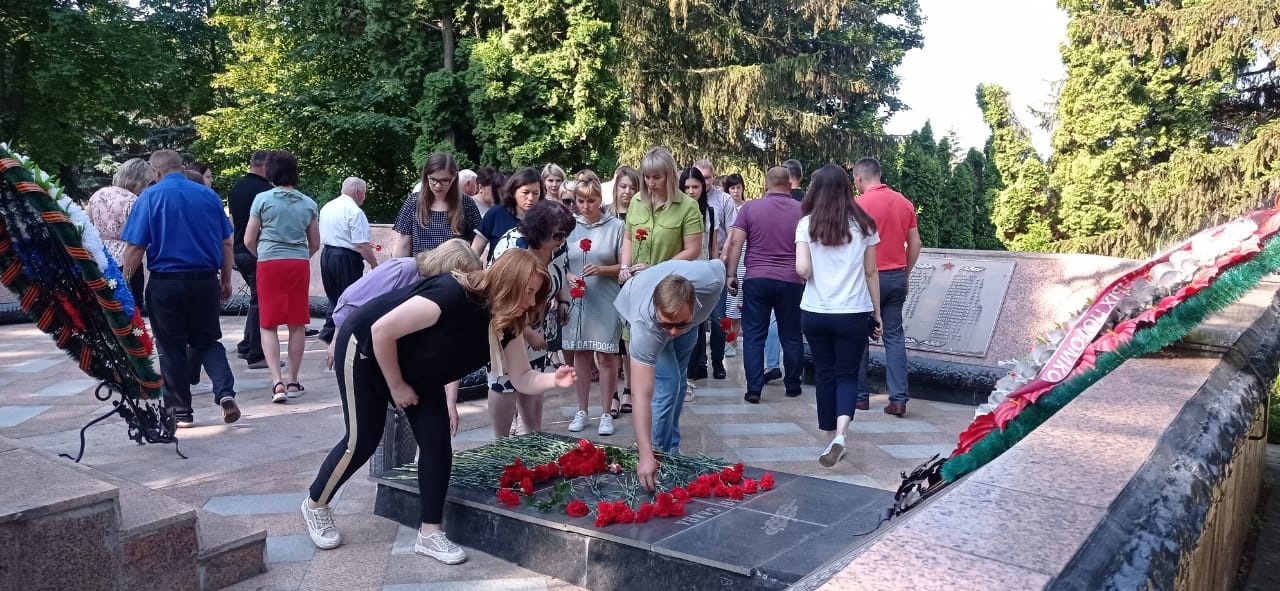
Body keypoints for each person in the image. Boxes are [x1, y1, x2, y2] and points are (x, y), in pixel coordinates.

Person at [302, 249, 575, 563]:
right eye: (528, 291)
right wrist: (397, 386)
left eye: (535, 294)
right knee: (362, 439)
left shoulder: (508, 321)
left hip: (419, 369)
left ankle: (430, 534)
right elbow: (382, 331)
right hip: (366, 349)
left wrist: (555, 380)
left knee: (437, 444)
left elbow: (523, 377)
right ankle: (316, 503)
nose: (530, 301)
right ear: (508, 281)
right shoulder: (452, 294)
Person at [121, 149, 239, 427]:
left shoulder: (150, 197)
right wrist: (225, 279)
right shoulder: (209, 196)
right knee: (208, 340)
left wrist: (123, 283)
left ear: (155, 172)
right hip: (204, 281)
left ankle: (181, 412)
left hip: (167, 284)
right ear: (182, 167)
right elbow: (226, 242)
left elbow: (136, 247)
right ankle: (224, 392)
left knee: (171, 346)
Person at [796, 164, 883, 467]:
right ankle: (841, 436)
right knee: (847, 375)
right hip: (853, 311)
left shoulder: (806, 224)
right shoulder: (865, 225)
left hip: (816, 311)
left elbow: (803, 270)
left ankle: (829, 437)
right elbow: (871, 272)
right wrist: (877, 312)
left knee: (824, 374)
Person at [616, 259, 725, 489]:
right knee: (668, 385)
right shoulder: (645, 324)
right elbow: (641, 395)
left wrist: (685, 326)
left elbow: (721, 262)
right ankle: (657, 456)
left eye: (679, 324)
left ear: (694, 305)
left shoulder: (712, 280)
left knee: (680, 381)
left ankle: (672, 452)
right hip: (637, 297)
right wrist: (646, 455)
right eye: (668, 326)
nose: (673, 332)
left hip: (689, 320)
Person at [487, 200, 575, 437]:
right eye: (557, 235)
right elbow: (502, 299)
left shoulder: (558, 247)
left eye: (566, 235)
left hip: (540, 321)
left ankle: (533, 436)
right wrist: (526, 331)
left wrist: (564, 300)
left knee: (534, 377)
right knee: (505, 383)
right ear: (539, 230)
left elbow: (562, 272)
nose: (562, 240)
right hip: (509, 323)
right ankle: (501, 442)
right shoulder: (513, 246)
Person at [324, 239, 482, 368]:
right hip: (359, 342)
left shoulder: (437, 290)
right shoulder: (402, 269)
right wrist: (336, 340)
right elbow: (351, 298)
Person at [724, 166, 805, 403]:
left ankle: (754, 389)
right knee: (791, 334)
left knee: (753, 336)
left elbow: (736, 243)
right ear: (789, 185)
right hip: (791, 281)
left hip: (756, 279)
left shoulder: (750, 208)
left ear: (765, 185)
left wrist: (731, 274)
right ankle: (792, 385)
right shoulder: (801, 211)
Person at [244, 150, 321, 403]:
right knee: (297, 322)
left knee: (268, 323)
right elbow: (315, 243)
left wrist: (263, 254)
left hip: (270, 263)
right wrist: (299, 255)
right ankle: (294, 381)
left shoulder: (262, 200)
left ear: (269, 171)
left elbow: (248, 239)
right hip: (298, 263)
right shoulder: (308, 203)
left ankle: (276, 380)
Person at [854, 157, 921, 417]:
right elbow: (915, 244)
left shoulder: (858, 205)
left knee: (859, 336)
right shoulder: (904, 203)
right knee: (894, 337)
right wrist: (906, 271)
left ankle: (860, 398)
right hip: (895, 278)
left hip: (867, 279)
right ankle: (898, 399)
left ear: (860, 178)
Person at [562, 173, 624, 436]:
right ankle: (582, 409)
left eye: (591, 200)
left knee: (607, 356)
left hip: (605, 298)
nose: (586, 206)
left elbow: (624, 265)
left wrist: (602, 269)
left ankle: (607, 412)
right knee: (581, 355)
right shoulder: (569, 226)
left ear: (601, 199)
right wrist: (567, 276)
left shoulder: (616, 227)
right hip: (578, 300)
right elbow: (559, 260)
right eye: (580, 200)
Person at [618, 147, 703, 284]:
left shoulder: (688, 206)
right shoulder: (636, 200)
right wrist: (624, 267)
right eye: (647, 176)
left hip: (669, 284)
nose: (650, 183)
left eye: (657, 177)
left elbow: (693, 250)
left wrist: (656, 269)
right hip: (636, 282)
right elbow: (628, 239)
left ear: (670, 176)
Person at [228, 151, 274, 369]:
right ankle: (256, 353)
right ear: (264, 167)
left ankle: (247, 344)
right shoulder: (266, 192)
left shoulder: (236, 188)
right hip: (256, 251)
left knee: (257, 299)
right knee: (262, 301)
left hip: (238, 250)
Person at [317, 177, 378, 344]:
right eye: (364, 194)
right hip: (345, 258)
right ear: (357, 192)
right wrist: (374, 264)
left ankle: (329, 331)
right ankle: (343, 336)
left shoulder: (327, 206)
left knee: (333, 296)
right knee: (349, 297)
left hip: (327, 254)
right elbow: (360, 245)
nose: (364, 198)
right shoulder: (355, 212)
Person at [678, 167, 724, 387]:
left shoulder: (711, 212)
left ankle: (699, 367)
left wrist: (718, 269)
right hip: (682, 269)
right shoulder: (675, 211)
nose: (691, 191)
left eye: (695, 186)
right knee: (686, 321)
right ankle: (686, 370)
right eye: (686, 187)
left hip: (703, 269)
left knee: (702, 320)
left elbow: (713, 245)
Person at [87, 158, 153, 311]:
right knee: (130, 308)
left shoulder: (98, 195)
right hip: (127, 258)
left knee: (105, 305)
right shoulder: (133, 201)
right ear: (139, 180)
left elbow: (88, 223)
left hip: (100, 255)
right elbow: (140, 235)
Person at [393, 153, 483, 256]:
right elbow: (404, 246)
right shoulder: (414, 201)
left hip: (453, 269)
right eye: (433, 180)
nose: (438, 186)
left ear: (453, 177)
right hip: (418, 269)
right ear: (426, 176)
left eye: (444, 180)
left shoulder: (466, 203)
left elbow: (477, 242)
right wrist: (400, 269)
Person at [693, 159, 735, 372]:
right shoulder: (689, 199)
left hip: (716, 262)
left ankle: (718, 361)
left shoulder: (724, 200)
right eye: (701, 178)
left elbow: (731, 231)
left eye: (707, 178)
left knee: (718, 316)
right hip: (695, 263)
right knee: (695, 317)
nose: (704, 182)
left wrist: (723, 258)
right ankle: (699, 361)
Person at [472, 168, 542, 262]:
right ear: (514, 192)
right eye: (525, 192)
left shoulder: (544, 219)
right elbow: (475, 250)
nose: (530, 198)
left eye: (535, 193)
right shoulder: (496, 214)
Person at [721, 173, 747, 354]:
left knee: (737, 304)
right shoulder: (724, 207)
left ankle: (732, 341)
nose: (735, 191)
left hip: (744, 261)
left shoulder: (748, 208)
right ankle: (727, 339)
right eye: (732, 188)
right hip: (724, 259)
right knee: (724, 306)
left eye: (738, 187)